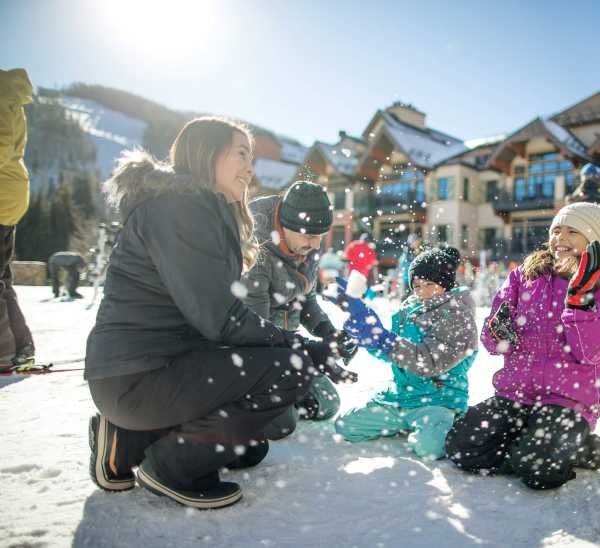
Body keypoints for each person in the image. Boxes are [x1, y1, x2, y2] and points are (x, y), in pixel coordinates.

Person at [85, 118, 349, 509]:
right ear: (207, 153)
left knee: (250, 450)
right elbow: (222, 319)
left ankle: (127, 442)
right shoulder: (179, 210)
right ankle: (170, 467)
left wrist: (311, 339)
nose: (249, 167)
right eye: (241, 153)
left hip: (156, 369)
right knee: (290, 368)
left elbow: (215, 318)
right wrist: (300, 347)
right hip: (139, 375)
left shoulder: (202, 209)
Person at [445, 202, 600, 490]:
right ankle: (530, 445)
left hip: (567, 400)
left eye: (572, 231)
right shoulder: (525, 275)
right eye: (556, 231)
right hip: (516, 394)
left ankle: (579, 446)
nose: (560, 238)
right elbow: (493, 343)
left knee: (538, 469)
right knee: (462, 445)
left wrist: (578, 302)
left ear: (593, 241)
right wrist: (499, 330)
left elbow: (593, 353)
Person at [333, 246, 477, 460]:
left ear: (446, 285)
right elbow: (391, 352)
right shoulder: (408, 310)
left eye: (430, 284)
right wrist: (370, 336)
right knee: (346, 425)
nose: (423, 291)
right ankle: (408, 422)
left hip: (437, 398)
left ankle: (449, 421)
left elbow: (428, 361)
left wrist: (385, 341)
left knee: (430, 449)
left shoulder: (457, 316)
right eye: (417, 285)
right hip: (402, 396)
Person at [242, 181, 358, 439]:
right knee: (281, 424)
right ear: (286, 227)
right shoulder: (254, 250)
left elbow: (306, 301)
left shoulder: (307, 246)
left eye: (320, 236)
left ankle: (279, 398)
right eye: (309, 236)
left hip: (289, 345)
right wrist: (310, 353)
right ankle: (250, 402)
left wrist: (329, 334)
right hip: (253, 353)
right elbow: (257, 331)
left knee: (327, 402)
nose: (317, 245)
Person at [0, 68, 35, 367]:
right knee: (1, 277)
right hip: (7, 191)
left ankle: (6, 351)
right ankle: (19, 347)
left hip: (2, 191)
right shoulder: (5, 94)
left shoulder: (0, 95)